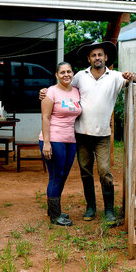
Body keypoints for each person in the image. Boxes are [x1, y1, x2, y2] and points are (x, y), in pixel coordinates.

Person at [40, 41, 136, 226]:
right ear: (89, 59)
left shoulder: (115, 77)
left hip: (102, 134)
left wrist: (133, 76)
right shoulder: (80, 76)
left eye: (100, 55)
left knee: (104, 171)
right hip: (80, 134)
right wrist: (45, 92)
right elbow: (63, 86)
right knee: (85, 172)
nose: (97, 58)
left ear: (106, 57)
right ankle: (91, 207)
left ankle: (109, 210)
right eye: (93, 55)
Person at [39, 62, 81, 226]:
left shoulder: (76, 91)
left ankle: (53, 209)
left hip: (70, 140)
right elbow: (45, 118)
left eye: (69, 71)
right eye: (62, 72)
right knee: (56, 176)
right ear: (56, 75)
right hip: (53, 139)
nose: (66, 75)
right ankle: (55, 216)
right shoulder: (50, 92)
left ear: (72, 73)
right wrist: (47, 143)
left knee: (63, 175)